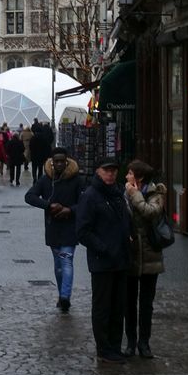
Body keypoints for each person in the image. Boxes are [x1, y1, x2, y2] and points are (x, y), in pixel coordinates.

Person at [76, 156, 134, 362]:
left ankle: (115, 345)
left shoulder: (118, 193)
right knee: (103, 306)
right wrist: (102, 247)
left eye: (113, 170)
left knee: (119, 306)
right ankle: (104, 347)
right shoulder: (90, 196)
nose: (110, 174)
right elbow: (82, 231)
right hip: (102, 261)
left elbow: (124, 221)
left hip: (121, 259)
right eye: (106, 170)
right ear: (98, 171)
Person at [25, 147, 84, 312]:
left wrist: (70, 210)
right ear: (52, 162)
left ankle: (65, 296)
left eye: (62, 161)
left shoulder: (77, 180)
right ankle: (61, 294)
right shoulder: (46, 180)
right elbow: (29, 196)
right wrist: (48, 205)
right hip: (53, 229)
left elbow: (85, 203)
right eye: (56, 161)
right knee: (59, 265)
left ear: (67, 161)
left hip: (70, 229)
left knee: (66, 261)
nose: (59, 164)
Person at [123, 159, 167, 358]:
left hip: (150, 254)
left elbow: (151, 213)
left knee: (146, 303)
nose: (126, 177)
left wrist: (135, 195)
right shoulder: (124, 193)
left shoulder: (155, 193)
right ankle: (131, 342)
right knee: (129, 302)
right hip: (131, 254)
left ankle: (144, 343)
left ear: (138, 177)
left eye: (130, 173)